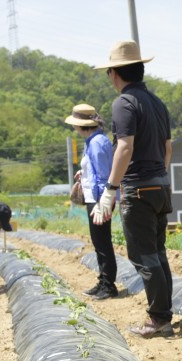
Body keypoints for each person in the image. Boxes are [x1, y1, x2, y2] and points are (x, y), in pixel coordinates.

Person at [92, 40, 175, 338]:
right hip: (160, 187)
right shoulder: (157, 103)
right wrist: (160, 177)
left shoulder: (124, 103)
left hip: (138, 188)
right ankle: (163, 313)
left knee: (144, 255)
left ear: (116, 73)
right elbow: (168, 148)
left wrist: (110, 189)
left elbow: (124, 147)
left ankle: (159, 319)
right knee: (158, 252)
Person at [66, 103, 119, 300]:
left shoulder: (96, 143)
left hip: (98, 199)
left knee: (102, 242)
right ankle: (103, 281)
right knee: (99, 242)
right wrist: (84, 173)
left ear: (82, 125)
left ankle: (109, 285)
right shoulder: (94, 140)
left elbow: (104, 175)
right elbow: (95, 169)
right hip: (95, 198)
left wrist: (100, 202)